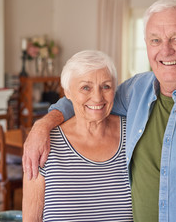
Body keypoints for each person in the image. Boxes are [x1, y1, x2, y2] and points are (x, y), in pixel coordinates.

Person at [23, 0, 176, 221]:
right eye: (155, 40)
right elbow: (88, 100)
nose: (166, 50)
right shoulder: (135, 91)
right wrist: (42, 125)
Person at [22, 50, 133, 221]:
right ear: (67, 92)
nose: (97, 97)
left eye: (106, 86)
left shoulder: (134, 134)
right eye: (85, 87)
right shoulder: (44, 145)